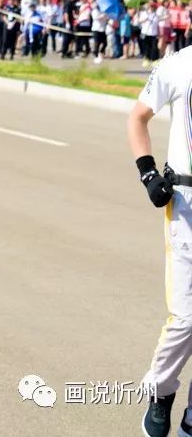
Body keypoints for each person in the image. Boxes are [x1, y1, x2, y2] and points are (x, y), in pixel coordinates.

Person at [128, 46, 192, 437]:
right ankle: (161, 389)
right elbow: (137, 118)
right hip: (187, 203)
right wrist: (148, 174)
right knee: (187, 317)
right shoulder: (178, 64)